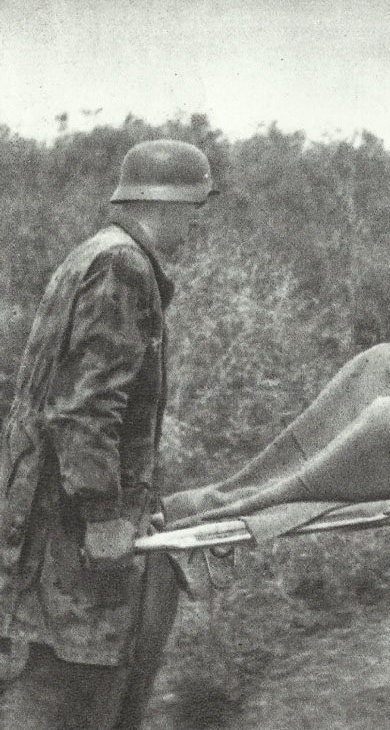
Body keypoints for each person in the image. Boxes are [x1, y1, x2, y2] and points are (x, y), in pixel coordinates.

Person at [0, 139, 216, 727]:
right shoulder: (123, 266)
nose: (198, 225)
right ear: (163, 205)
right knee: (68, 676)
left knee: (61, 664)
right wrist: (103, 516)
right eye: (195, 210)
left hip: (50, 508)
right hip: (69, 521)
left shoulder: (96, 255)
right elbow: (88, 407)